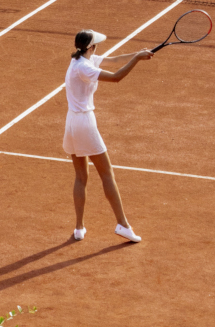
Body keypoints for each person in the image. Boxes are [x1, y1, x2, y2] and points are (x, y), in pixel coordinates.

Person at [63, 27, 152, 243]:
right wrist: (137, 60)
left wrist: (138, 53)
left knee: (81, 176)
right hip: (85, 123)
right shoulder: (85, 67)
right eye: (97, 45)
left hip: (71, 123)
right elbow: (116, 77)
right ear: (90, 47)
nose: (98, 48)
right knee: (107, 174)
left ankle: (79, 227)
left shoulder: (80, 60)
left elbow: (114, 60)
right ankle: (123, 224)